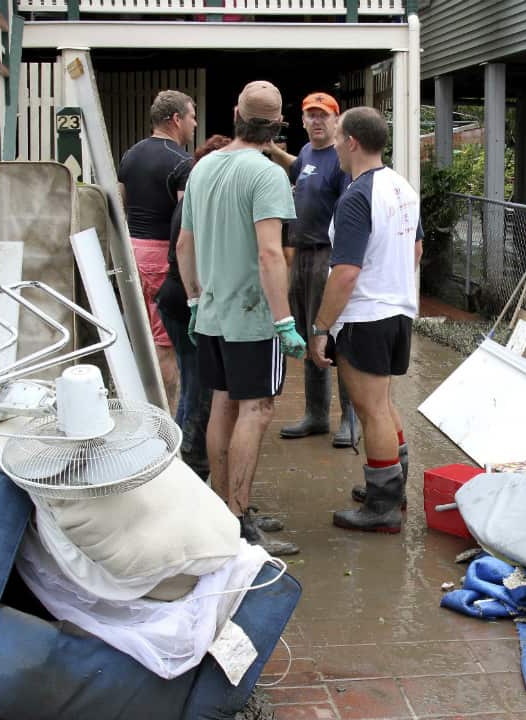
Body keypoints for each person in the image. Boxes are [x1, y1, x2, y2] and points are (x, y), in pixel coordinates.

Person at [176, 80, 304, 556]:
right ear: (276, 127)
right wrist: (284, 320)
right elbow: (272, 253)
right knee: (258, 409)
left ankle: (221, 509)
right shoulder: (267, 173)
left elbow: (184, 245)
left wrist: (193, 301)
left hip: (211, 313)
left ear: (235, 113)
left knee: (223, 403)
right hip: (253, 317)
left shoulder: (204, 166)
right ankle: (238, 519)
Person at [307, 106, 422, 534]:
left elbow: (347, 272)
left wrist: (322, 327)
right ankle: (390, 482)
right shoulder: (402, 187)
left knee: (370, 409)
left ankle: (382, 507)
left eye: (338, 138)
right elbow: (416, 250)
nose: (334, 145)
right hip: (397, 311)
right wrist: (393, 283)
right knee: (383, 404)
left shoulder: (356, 196)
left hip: (365, 315)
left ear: (352, 141)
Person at [266, 91, 360, 448]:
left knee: (333, 334)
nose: (317, 121)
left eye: (324, 115)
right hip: (301, 254)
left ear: (336, 121)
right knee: (306, 335)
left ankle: (350, 417)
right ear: (302, 121)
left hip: (327, 254)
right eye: (311, 115)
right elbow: (298, 167)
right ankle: (316, 414)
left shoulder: (341, 160)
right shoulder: (306, 153)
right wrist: (275, 151)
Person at [155, 134, 231, 483]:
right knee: (198, 386)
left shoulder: (192, 199)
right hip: (184, 299)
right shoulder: (202, 201)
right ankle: (190, 466)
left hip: (174, 296)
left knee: (190, 381)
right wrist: (200, 300)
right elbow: (188, 251)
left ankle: (180, 454)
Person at [118, 90, 198, 417]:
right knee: (166, 346)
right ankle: (166, 419)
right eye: (192, 116)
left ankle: (143, 412)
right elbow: (184, 222)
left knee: (144, 338)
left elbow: (121, 206)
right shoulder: (180, 161)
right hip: (163, 258)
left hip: (132, 252)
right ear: (176, 119)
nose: (194, 124)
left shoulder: (130, 156)